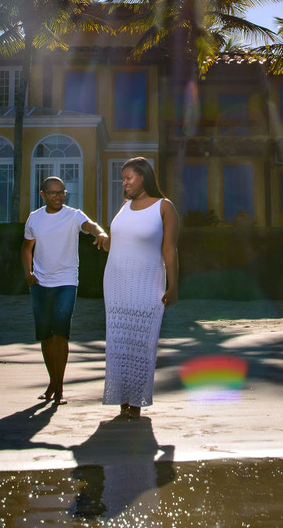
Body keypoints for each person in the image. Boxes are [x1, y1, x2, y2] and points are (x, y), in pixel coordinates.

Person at [100, 157, 180, 419]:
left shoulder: (164, 207)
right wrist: (105, 241)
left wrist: (173, 285)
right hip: (116, 283)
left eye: (128, 178)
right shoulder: (124, 206)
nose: (124, 183)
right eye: (123, 178)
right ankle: (122, 398)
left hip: (146, 283)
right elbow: (120, 240)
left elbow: (169, 249)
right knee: (119, 341)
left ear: (143, 177)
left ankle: (136, 400)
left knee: (141, 340)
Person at [22, 176, 108, 405]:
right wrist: (28, 273)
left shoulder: (73, 215)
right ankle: (53, 381)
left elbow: (89, 225)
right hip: (40, 283)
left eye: (62, 192)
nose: (59, 196)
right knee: (45, 335)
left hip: (66, 283)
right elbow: (26, 248)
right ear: (42, 195)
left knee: (61, 332)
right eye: (53, 193)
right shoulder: (34, 218)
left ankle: (59, 387)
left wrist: (99, 232)